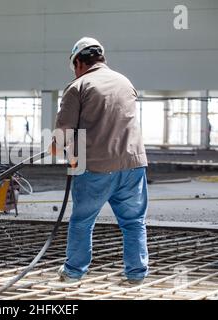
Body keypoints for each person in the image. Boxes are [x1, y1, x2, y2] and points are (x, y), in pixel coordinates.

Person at [50, 37, 149, 284]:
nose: (75, 70)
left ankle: (74, 272)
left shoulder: (78, 86)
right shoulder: (125, 82)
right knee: (134, 222)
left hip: (95, 167)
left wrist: (55, 148)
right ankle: (136, 274)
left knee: (82, 222)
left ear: (80, 62)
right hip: (133, 165)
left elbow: (63, 133)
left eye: (75, 65)